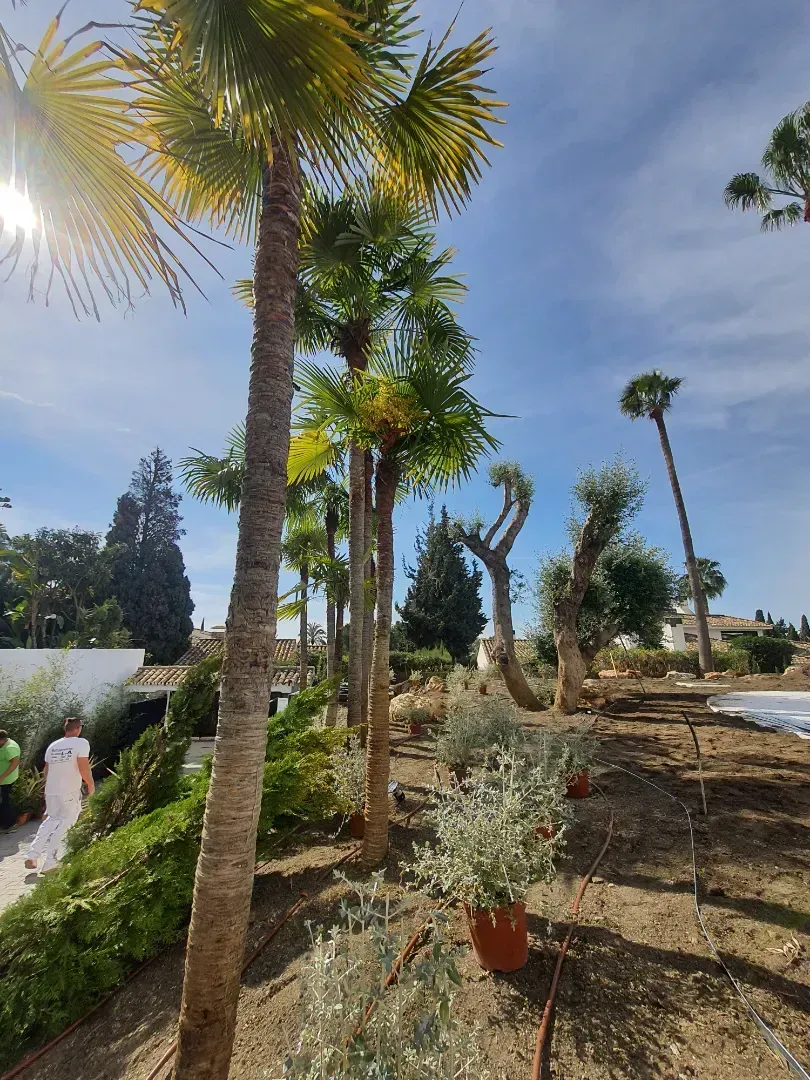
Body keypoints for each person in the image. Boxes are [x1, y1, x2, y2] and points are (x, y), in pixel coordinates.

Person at [25, 717, 93, 874]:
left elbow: (46, 770)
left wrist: (49, 787)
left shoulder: (53, 745)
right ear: (78, 728)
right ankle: (51, 861)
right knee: (66, 823)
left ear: (65, 729)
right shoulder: (81, 743)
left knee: (51, 820)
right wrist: (90, 784)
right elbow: (83, 767)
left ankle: (32, 855)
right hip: (69, 790)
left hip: (52, 791)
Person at [0, 729, 21, 830]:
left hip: (6, 780)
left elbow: (15, 763)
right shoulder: (4, 745)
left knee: (5, 802)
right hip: (3, 779)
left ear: (2, 740)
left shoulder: (9, 748)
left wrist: (2, 777)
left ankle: (8, 824)